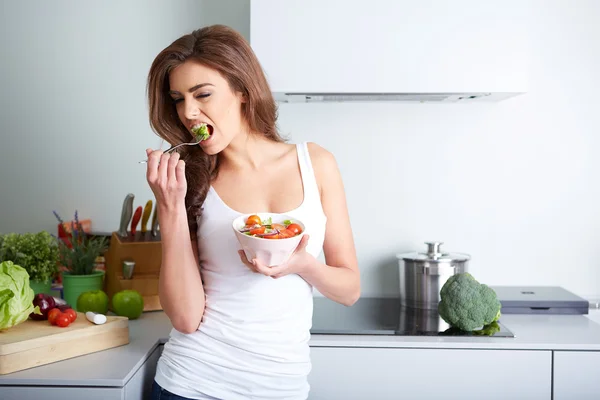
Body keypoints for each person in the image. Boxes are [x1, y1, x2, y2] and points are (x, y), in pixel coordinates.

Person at [144, 24, 360, 400]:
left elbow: (350, 289)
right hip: (191, 383)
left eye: (203, 94)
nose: (188, 113)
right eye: (178, 99)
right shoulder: (192, 180)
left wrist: (303, 265)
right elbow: (185, 318)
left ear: (242, 91)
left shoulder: (316, 164)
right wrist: (170, 208)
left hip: (281, 388)